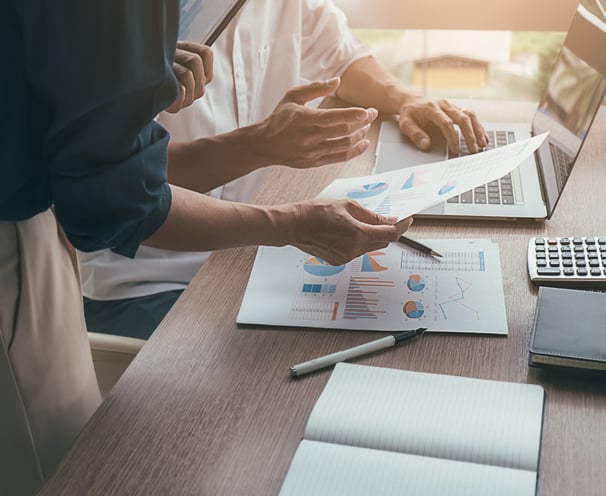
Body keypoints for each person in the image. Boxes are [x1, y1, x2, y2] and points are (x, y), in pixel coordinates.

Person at [1, 2, 407, 495]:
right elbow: (118, 197)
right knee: (66, 474)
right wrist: (287, 217)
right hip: (90, 265)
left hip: (184, 255)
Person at [81, 0, 488, 339]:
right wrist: (260, 148)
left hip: (250, 252)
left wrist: (405, 99)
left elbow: (341, 58)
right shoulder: (115, 18)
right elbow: (118, 187)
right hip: (150, 281)